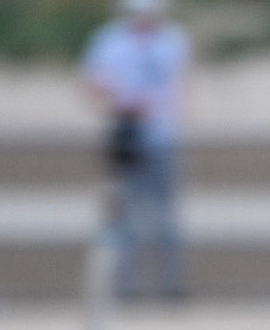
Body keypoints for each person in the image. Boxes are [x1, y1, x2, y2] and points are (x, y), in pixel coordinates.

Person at [82, 0, 190, 300]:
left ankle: (171, 285)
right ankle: (128, 285)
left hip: (164, 138)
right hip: (127, 137)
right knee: (125, 214)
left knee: (165, 215)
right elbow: (91, 85)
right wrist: (123, 101)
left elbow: (181, 87)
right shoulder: (110, 40)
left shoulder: (173, 40)